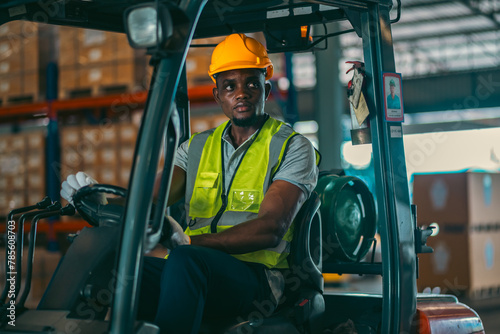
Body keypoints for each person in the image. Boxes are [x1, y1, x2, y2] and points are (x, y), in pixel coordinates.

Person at [61, 33, 319, 334]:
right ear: (217, 95)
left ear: (266, 88)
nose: (242, 93)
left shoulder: (292, 147)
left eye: (252, 83)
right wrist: (100, 200)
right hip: (192, 267)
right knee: (117, 270)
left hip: (258, 278)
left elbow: (271, 228)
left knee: (185, 260)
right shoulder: (195, 147)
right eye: (230, 86)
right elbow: (151, 199)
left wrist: (188, 243)